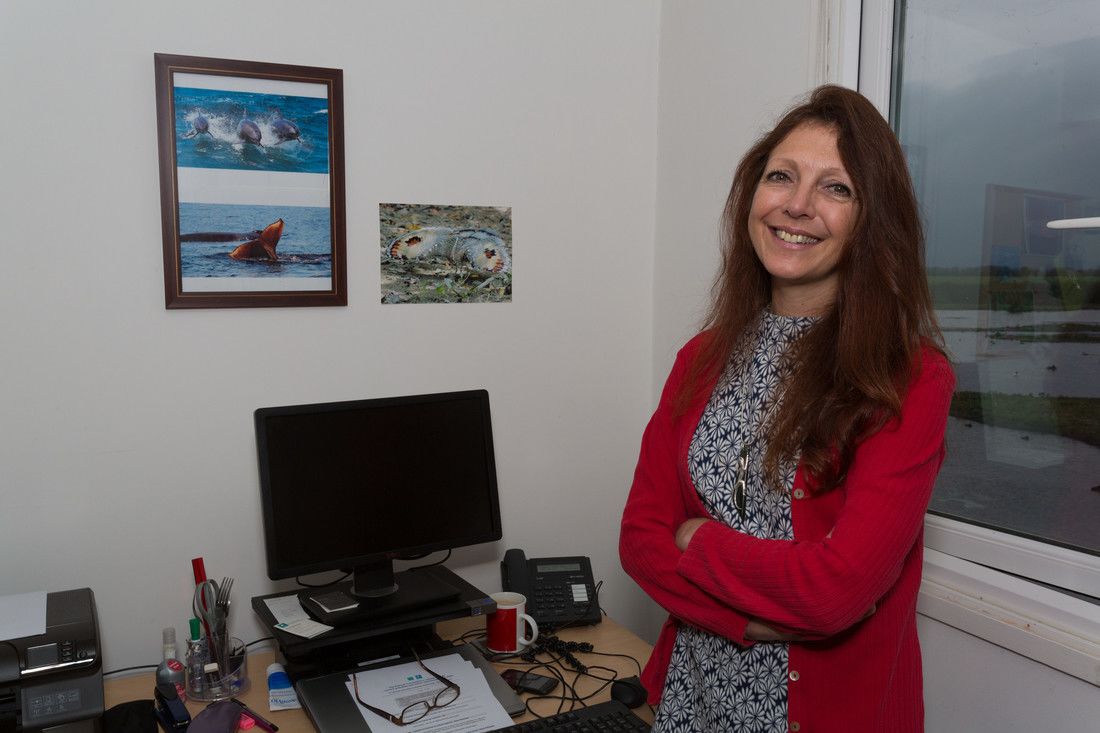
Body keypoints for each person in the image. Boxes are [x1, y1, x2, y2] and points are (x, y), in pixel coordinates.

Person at [619, 85, 955, 732]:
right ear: (752, 196)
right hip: (693, 702)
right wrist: (743, 619)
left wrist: (698, 538)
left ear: (871, 220)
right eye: (781, 177)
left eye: (837, 188)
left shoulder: (910, 377)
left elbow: (837, 590)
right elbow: (639, 539)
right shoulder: (702, 357)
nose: (797, 205)